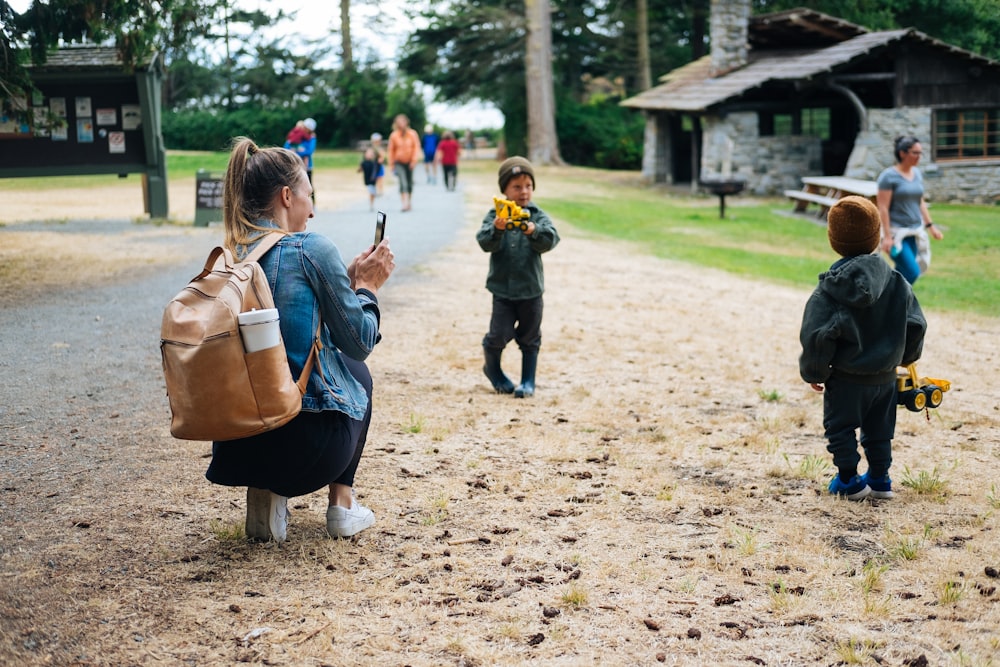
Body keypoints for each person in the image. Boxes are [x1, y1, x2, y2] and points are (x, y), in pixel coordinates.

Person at [206, 136, 396, 542]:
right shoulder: (312, 247)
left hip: (236, 448)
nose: (314, 207)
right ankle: (342, 504)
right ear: (288, 196)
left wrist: (344, 280)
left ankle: (265, 497)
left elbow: (291, 308)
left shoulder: (233, 255)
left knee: (264, 375)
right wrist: (368, 288)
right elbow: (359, 341)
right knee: (357, 371)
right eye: (311, 194)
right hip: (308, 450)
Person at [799, 196, 926, 501]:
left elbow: (817, 336)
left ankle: (849, 480)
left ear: (833, 240)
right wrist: (906, 358)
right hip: (885, 378)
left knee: (840, 428)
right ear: (876, 236)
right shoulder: (897, 282)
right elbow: (916, 324)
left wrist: (815, 371)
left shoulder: (830, 290)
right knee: (880, 431)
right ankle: (881, 479)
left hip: (846, 379)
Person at [476, 156, 560, 398]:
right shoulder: (496, 215)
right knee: (498, 335)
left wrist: (534, 230)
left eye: (528, 186)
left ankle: (527, 381)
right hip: (502, 291)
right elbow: (484, 242)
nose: (524, 192)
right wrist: (497, 229)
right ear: (504, 190)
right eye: (516, 187)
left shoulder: (536, 215)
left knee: (530, 336)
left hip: (531, 290)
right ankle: (493, 369)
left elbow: (550, 240)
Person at [876, 135, 944, 284]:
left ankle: (891, 303)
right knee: (912, 272)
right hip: (896, 234)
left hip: (915, 231)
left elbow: (920, 202)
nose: (919, 157)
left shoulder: (917, 174)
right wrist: (887, 236)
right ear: (902, 153)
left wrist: (931, 227)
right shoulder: (888, 177)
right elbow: (883, 208)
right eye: (915, 153)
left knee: (902, 273)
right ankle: (893, 302)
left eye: (920, 153)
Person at [387, 114, 421, 211]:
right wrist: (391, 164)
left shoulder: (412, 134)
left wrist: (414, 161)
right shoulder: (394, 135)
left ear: (406, 122)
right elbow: (391, 150)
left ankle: (409, 202)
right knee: (403, 182)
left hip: (410, 161)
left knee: (409, 183)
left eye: (403, 121)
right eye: (399, 122)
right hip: (399, 162)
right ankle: (404, 204)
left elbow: (416, 147)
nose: (401, 124)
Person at [284, 117, 317, 201]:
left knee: (309, 185)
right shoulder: (295, 136)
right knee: (294, 186)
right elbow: (286, 148)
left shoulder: (311, 138)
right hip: (294, 165)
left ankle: (312, 204)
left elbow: (309, 151)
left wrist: (296, 152)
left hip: (307, 166)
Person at [358, 146, 380, 211]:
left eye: (371, 154)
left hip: (373, 180)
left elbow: (377, 169)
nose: (369, 155)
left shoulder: (374, 163)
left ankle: (372, 204)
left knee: (373, 193)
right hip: (367, 180)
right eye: (368, 154)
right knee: (371, 192)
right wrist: (359, 167)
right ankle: (371, 205)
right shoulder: (363, 163)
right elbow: (360, 170)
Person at [369, 132, 386, 197]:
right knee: (375, 178)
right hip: (374, 165)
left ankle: (380, 190)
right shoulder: (372, 148)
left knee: (380, 178)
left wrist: (381, 158)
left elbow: (382, 155)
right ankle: (376, 190)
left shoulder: (379, 148)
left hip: (379, 166)